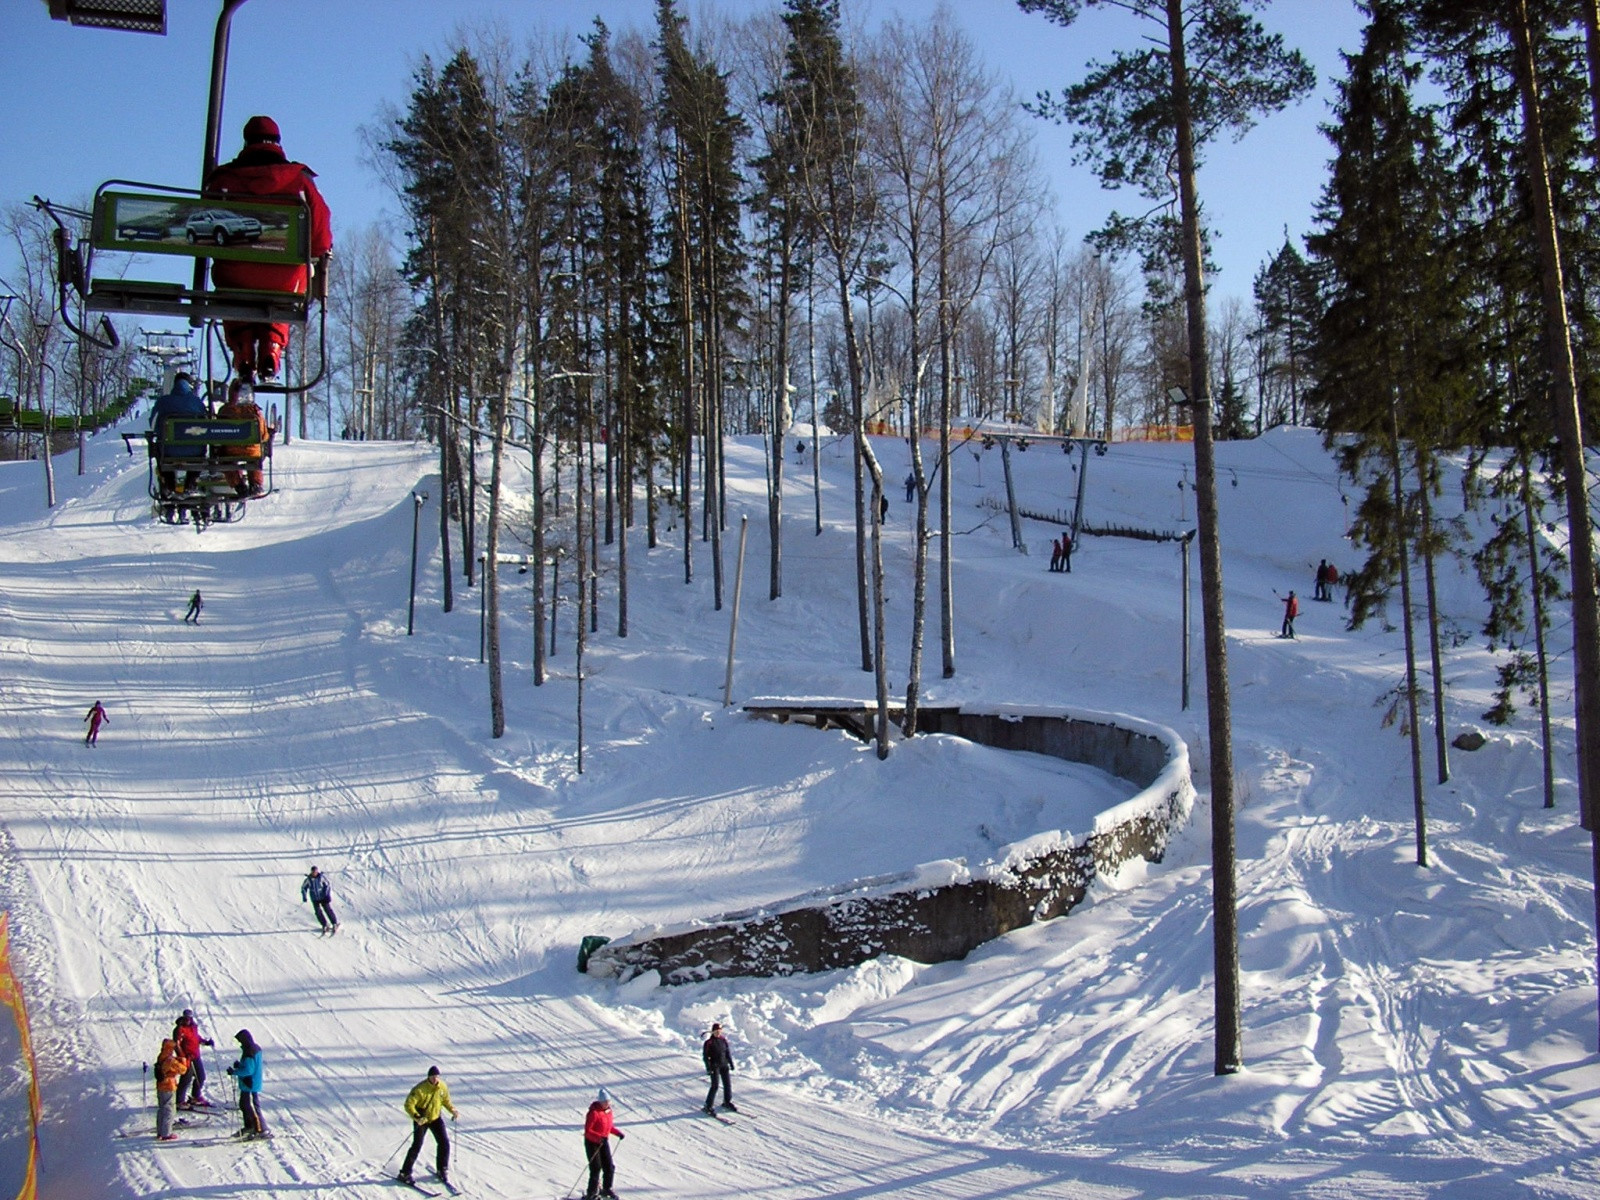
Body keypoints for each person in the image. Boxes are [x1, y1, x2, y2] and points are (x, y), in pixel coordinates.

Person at [203, 116, 333, 381]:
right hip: (284, 282)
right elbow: (320, 240)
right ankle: (272, 345)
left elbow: (201, 231)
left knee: (232, 276)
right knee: (287, 283)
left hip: (234, 279)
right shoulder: (300, 182)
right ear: (278, 143)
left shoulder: (222, 181)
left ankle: (242, 347)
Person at [149, 372, 207, 508]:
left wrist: (159, 432)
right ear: (190, 385)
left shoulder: (163, 401)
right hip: (194, 451)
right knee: (201, 452)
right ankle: (190, 485)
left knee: (160, 452)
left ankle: (169, 485)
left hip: (168, 451)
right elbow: (206, 425)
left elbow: (152, 424)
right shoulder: (197, 402)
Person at [399, 1065, 459, 1187]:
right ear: (429, 1077)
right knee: (417, 1145)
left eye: (437, 1077)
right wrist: (417, 1117)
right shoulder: (420, 1089)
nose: (435, 1079)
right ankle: (404, 1173)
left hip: (435, 1117)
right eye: (433, 1077)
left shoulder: (442, 1086)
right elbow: (408, 1105)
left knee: (444, 1142)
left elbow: (446, 1101)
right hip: (422, 1118)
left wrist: (453, 1110)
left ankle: (442, 1168)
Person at [217, 380, 271, 497]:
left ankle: (238, 485)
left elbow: (218, 433)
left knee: (227, 459)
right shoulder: (255, 411)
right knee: (254, 457)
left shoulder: (225, 410)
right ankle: (255, 483)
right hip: (252, 451)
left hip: (231, 450)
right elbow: (263, 435)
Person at [583, 1088, 625, 1200]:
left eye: (608, 1101)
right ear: (600, 1102)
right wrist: (598, 1137)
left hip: (603, 1141)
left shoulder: (608, 1112)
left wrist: (618, 1133)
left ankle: (606, 1188)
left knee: (609, 1167)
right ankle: (591, 1194)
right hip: (592, 1142)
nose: (607, 1104)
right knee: (596, 1167)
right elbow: (588, 1131)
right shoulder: (593, 1113)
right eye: (605, 1102)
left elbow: (608, 1127)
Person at [226, 1028, 267, 1139]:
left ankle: (261, 1129)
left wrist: (235, 1072)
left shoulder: (249, 1052)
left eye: (240, 1041)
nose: (240, 1043)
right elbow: (248, 1066)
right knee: (244, 1105)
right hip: (248, 1084)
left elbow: (249, 1070)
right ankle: (249, 1126)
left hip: (250, 1084)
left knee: (252, 1107)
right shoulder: (253, 1049)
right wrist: (239, 1065)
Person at [174, 1009, 215, 1109]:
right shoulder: (180, 1029)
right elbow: (177, 1045)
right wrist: (183, 1056)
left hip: (196, 1056)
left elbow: (196, 1038)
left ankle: (195, 1097)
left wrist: (205, 1042)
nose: (187, 1020)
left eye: (189, 1018)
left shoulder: (193, 1026)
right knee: (186, 1078)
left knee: (201, 1076)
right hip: (187, 1058)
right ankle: (179, 1101)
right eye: (186, 1018)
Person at [154, 1037, 190, 1141]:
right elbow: (183, 1070)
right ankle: (166, 1133)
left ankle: (160, 1131)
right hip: (168, 1085)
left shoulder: (161, 1056)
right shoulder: (170, 1060)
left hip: (161, 1085)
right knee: (169, 1110)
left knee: (162, 1109)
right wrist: (183, 1059)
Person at [702, 1022, 736, 1115]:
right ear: (712, 1032)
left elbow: (727, 1052)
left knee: (727, 1085)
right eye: (716, 1031)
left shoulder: (723, 1040)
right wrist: (708, 1068)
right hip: (714, 1067)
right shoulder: (708, 1043)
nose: (718, 1033)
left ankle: (727, 1102)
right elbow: (705, 1057)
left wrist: (731, 1063)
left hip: (724, 1065)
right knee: (715, 1086)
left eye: (719, 1031)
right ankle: (708, 1106)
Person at [301, 866, 338, 935]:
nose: (314, 873)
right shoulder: (308, 880)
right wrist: (304, 896)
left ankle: (334, 923)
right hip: (315, 898)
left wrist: (326, 894)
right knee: (318, 912)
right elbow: (303, 888)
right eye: (313, 872)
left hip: (323, 897)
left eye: (315, 872)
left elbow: (327, 885)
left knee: (327, 909)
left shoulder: (321, 877)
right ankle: (324, 924)